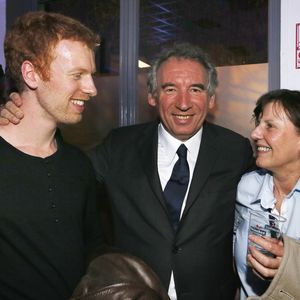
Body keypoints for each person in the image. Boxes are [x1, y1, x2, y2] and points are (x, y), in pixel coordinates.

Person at [0, 43, 255, 300]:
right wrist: (24, 118)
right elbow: (66, 169)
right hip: (135, 295)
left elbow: (273, 200)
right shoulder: (119, 147)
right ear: (152, 96)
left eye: (196, 89)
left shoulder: (235, 151)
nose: (184, 103)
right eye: (170, 89)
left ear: (211, 99)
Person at [0, 11, 104, 300]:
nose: (92, 89)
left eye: (91, 75)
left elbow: (91, 251)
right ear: (31, 74)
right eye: (77, 75)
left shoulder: (78, 165)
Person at [234, 89, 300, 299]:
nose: (255, 134)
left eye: (270, 126)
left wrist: (291, 266)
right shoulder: (246, 187)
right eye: (259, 124)